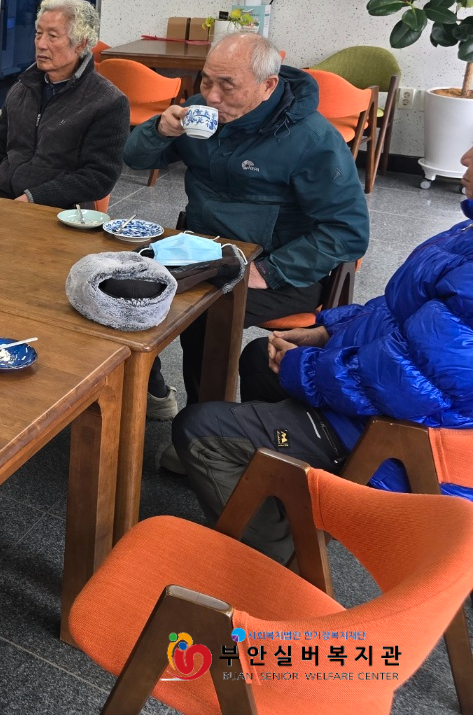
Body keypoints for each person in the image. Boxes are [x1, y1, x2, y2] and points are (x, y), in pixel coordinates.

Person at [171, 145, 473, 562]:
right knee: (260, 356)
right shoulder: (465, 233)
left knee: (199, 431)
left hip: (405, 435)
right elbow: (396, 311)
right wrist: (327, 331)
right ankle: (284, 488)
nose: (465, 158)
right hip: (399, 402)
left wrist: (305, 368)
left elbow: (412, 383)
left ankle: (278, 563)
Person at [124, 33, 369, 419]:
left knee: (205, 312)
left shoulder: (312, 139)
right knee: (123, 284)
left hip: (283, 270)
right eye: (206, 80)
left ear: (268, 85)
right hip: (204, 250)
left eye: (227, 85)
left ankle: (207, 423)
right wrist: (159, 130)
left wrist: (267, 271)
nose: (212, 96)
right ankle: (152, 392)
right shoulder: (201, 111)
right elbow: (135, 159)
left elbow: (349, 231)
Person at [0, 0, 128, 208]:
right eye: (38, 34)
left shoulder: (107, 102)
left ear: (81, 44)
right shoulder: (23, 88)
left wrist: (32, 198)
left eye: (52, 36)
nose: (41, 44)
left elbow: (99, 177)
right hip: (4, 200)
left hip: (58, 209)